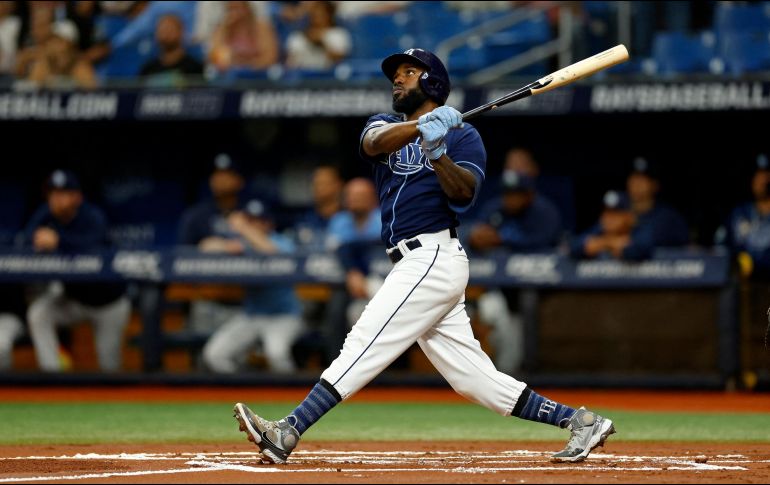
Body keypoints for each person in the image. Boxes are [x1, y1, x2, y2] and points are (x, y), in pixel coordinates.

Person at [233, 47, 615, 465]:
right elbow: (373, 143)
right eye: (395, 73)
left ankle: (288, 430)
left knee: (365, 338)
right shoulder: (384, 124)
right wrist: (420, 128)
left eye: (409, 72)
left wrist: (438, 154)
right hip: (412, 260)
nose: (397, 79)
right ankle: (580, 421)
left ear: (431, 81)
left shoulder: (464, 135)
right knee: (474, 379)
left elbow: (463, 193)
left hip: (433, 254)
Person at [22, 170, 130, 372]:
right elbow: (26, 239)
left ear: (77, 197)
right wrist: (37, 241)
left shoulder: (92, 216)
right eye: (53, 194)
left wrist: (59, 241)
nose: (57, 199)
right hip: (74, 300)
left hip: (109, 303)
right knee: (39, 314)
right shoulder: (46, 214)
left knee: (110, 368)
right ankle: (52, 376)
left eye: (63, 194)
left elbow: (93, 247)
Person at [467, 169, 563, 373]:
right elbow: (475, 237)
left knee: (518, 310)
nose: (510, 199)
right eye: (507, 194)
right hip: (497, 287)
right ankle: (490, 372)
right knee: (488, 310)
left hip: (539, 286)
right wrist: (476, 239)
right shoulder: (495, 209)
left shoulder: (543, 212)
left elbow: (544, 243)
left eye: (516, 194)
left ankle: (517, 371)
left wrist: (502, 240)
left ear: (528, 194)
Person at [202, 199, 304, 374]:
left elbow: (271, 252)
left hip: (284, 316)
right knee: (215, 355)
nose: (254, 225)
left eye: (259, 220)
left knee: (276, 354)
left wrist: (244, 228)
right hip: (252, 315)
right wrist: (226, 246)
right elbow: (206, 246)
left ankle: (292, 399)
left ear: (269, 223)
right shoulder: (244, 242)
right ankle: (243, 395)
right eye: (250, 220)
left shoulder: (281, 242)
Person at [178, 153, 248, 334]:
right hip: (207, 300)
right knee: (203, 358)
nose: (220, 179)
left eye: (227, 174)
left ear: (239, 180)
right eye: (216, 174)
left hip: (246, 302)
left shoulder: (252, 213)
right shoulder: (196, 215)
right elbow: (181, 260)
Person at [321, 177, 382, 363]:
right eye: (352, 196)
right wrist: (352, 272)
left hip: (383, 278)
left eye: (361, 196)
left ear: (373, 198)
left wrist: (352, 258)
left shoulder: (384, 217)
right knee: (336, 309)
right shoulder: (339, 220)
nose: (356, 200)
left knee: (384, 314)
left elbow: (368, 248)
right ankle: (335, 367)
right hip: (345, 282)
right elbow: (337, 249)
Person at [719, 154, 770, 279]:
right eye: (757, 175)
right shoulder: (739, 213)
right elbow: (721, 247)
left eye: (765, 175)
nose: (760, 180)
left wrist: (757, 263)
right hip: (742, 286)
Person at [569, 189, 655, 261]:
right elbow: (574, 246)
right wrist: (609, 243)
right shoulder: (599, 229)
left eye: (615, 214)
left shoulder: (638, 229)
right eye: (607, 212)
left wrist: (624, 250)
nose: (609, 218)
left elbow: (639, 251)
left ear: (629, 217)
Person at [626, 157, 689, 248]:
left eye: (643, 180)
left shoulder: (668, 217)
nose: (637, 184)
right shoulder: (618, 213)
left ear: (655, 185)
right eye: (634, 178)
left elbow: (686, 247)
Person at [206, 0, 279, 73]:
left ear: (247, 9)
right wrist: (225, 30)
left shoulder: (261, 27)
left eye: (237, 8)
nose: (233, 13)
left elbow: (270, 56)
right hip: (231, 74)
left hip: (258, 73)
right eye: (230, 9)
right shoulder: (222, 29)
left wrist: (250, 66)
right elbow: (216, 56)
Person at [285, 1, 351, 71]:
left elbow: (339, 62)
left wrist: (321, 43)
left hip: (328, 77)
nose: (317, 16)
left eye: (321, 13)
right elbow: (290, 64)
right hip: (303, 77)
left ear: (329, 14)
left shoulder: (338, 34)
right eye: (314, 13)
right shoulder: (298, 36)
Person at [139, 13, 203, 85]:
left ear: (181, 32)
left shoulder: (194, 68)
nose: (166, 34)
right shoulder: (148, 69)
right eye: (162, 30)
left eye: (170, 29)